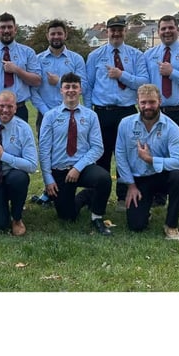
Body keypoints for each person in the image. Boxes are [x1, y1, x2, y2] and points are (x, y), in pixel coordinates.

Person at [84, 15, 149, 212]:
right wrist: (88, 113)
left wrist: (122, 75)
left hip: (127, 112)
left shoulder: (136, 55)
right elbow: (88, 86)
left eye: (120, 29)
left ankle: (123, 196)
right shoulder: (95, 56)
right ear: (107, 31)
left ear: (125, 31)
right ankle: (97, 196)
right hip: (102, 112)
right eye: (113, 29)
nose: (116, 33)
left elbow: (144, 81)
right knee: (100, 155)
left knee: (126, 155)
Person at [143, 15, 179, 218]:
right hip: (156, 114)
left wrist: (173, 72)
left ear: (178, 29)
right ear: (158, 31)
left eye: (170, 28)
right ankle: (158, 194)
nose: (167, 32)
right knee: (155, 152)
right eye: (163, 28)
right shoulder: (149, 55)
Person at [39, 72, 112, 236]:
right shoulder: (50, 116)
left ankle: (97, 217)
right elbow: (44, 150)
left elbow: (97, 147)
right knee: (67, 217)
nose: (71, 90)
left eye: (74, 87)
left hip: (82, 167)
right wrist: (48, 179)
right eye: (67, 87)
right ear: (61, 91)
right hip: (60, 170)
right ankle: (86, 196)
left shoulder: (91, 116)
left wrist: (78, 167)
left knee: (103, 178)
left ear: (80, 90)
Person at [115, 84, 179, 241]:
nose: (148, 106)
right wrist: (131, 186)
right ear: (137, 102)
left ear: (160, 101)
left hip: (161, 176)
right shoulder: (125, 124)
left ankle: (171, 225)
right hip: (139, 179)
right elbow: (120, 157)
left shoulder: (171, 127)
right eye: (143, 102)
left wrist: (151, 159)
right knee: (136, 226)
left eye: (152, 102)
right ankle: (145, 209)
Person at [29, 19, 87, 206]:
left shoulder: (76, 59)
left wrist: (60, 80)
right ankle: (48, 190)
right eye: (52, 33)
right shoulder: (38, 59)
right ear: (47, 36)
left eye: (59, 33)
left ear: (65, 35)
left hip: (71, 113)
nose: (56, 37)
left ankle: (65, 188)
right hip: (46, 114)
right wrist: (46, 113)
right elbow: (33, 91)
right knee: (47, 151)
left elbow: (83, 85)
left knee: (68, 150)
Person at [0, 90, 38, 235]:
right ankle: (1, 207)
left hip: (12, 177)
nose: (5, 110)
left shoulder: (24, 129)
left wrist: (3, 156)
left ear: (15, 108)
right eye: (2, 106)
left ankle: (17, 217)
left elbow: (32, 165)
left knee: (20, 178)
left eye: (10, 106)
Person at [0, 12, 41, 122]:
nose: (6, 31)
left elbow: (37, 81)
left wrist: (16, 70)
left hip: (19, 109)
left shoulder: (28, 52)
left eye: (10, 27)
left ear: (15, 29)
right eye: (3, 27)